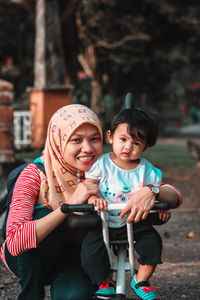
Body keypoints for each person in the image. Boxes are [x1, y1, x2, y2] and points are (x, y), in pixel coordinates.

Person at [0, 104, 181, 300]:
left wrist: (152, 192)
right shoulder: (35, 174)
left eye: (94, 139)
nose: (87, 148)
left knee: (76, 296)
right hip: (33, 256)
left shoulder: (108, 168)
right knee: (45, 217)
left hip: (77, 255)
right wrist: (68, 207)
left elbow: (175, 196)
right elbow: (16, 242)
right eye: (76, 140)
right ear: (58, 141)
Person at [82, 107, 182, 300]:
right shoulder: (102, 164)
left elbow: (157, 193)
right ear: (110, 137)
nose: (128, 146)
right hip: (104, 221)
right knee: (90, 249)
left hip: (135, 222)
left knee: (153, 243)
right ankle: (105, 281)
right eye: (123, 139)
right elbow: (89, 185)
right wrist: (93, 199)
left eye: (136, 142)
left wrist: (163, 207)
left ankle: (141, 280)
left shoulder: (146, 171)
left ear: (145, 147)